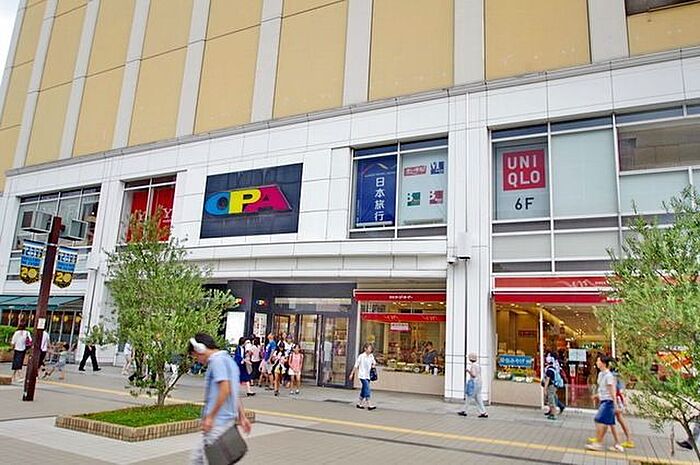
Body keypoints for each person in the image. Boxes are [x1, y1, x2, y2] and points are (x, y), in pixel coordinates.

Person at [188, 333, 252, 465]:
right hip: (226, 424)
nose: (197, 360)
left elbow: (225, 389)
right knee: (201, 459)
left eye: (195, 356)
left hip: (217, 424)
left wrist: (210, 417)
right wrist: (242, 417)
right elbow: (233, 391)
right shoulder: (228, 360)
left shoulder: (217, 362)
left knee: (202, 460)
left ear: (200, 349)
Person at [585, 355, 624, 452]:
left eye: (598, 361)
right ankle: (618, 444)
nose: (597, 363)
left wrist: (615, 404)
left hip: (608, 402)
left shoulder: (609, 376)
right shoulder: (601, 374)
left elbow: (612, 390)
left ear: (603, 363)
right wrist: (597, 395)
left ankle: (598, 443)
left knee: (599, 420)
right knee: (610, 424)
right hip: (604, 400)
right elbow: (603, 389)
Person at [458, 353, 488, 418]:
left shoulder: (473, 366)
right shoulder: (478, 365)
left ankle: (464, 411)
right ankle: (483, 412)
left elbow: (473, 375)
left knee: (469, 396)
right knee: (478, 398)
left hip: (474, 383)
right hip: (479, 382)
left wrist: (468, 371)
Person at [349, 343, 376, 410]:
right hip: (362, 375)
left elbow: (374, 363)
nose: (370, 349)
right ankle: (369, 404)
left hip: (368, 375)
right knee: (367, 388)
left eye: (371, 348)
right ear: (365, 349)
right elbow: (356, 365)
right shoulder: (361, 356)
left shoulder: (371, 356)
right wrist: (352, 374)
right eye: (369, 348)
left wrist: (373, 365)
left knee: (364, 389)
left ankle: (359, 403)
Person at [542, 354, 561, 420]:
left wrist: (545, 389)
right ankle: (552, 413)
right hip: (554, 386)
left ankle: (554, 414)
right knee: (552, 399)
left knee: (551, 400)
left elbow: (547, 380)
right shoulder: (553, 368)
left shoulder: (549, 370)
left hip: (551, 387)